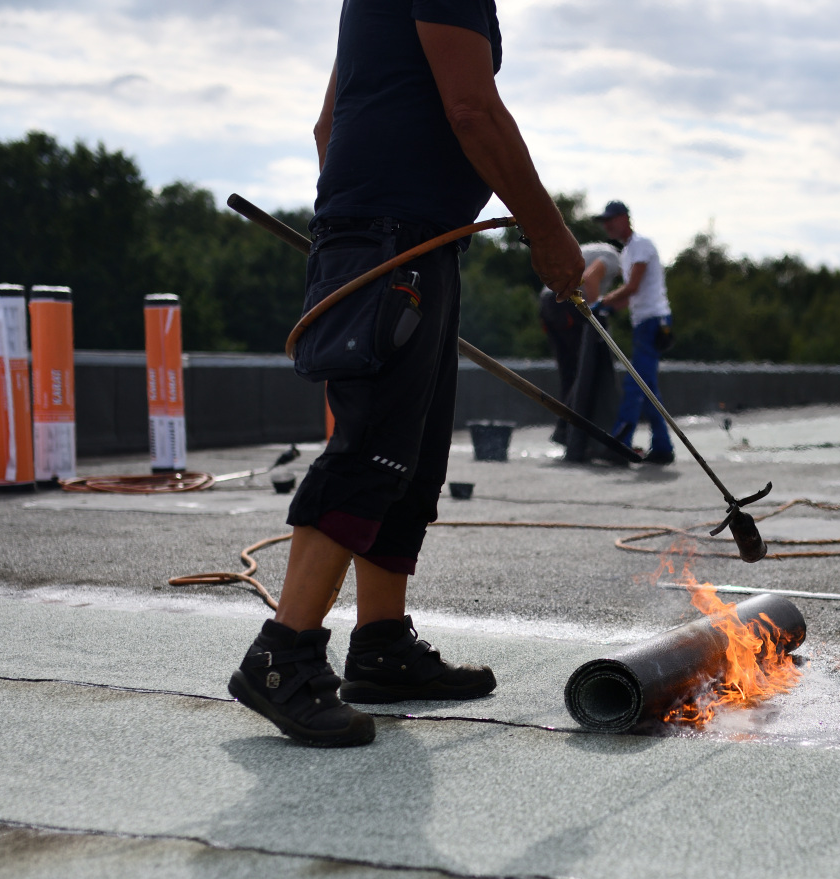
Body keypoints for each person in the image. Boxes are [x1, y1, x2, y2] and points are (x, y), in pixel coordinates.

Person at [227, 0, 584, 748]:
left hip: (404, 240)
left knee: (411, 458)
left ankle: (381, 646)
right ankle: (280, 658)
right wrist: (547, 231)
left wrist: (354, 220)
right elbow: (471, 108)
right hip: (394, 242)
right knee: (372, 450)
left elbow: (328, 125)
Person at [593, 201, 675, 464]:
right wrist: (610, 308)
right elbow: (631, 296)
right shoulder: (628, 251)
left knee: (635, 384)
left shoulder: (640, 245)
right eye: (604, 221)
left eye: (611, 220)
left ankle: (621, 446)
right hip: (645, 323)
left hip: (653, 322)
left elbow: (632, 287)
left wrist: (602, 302)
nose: (607, 225)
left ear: (624, 218)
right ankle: (662, 448)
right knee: (647, 387)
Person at [537, 239, 623, 461]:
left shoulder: (594, 249)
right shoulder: (613, 257)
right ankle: (570, 434)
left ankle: (569, 435)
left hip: (549, 302)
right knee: (584, 371)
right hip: (565, 302)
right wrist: (595, 315)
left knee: (569, 374)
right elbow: (590, 277)